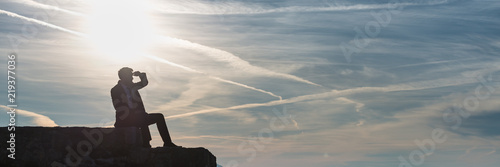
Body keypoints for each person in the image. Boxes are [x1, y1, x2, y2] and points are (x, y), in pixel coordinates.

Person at [111, 67, 178, 147]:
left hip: (138, 117)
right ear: (124, 77)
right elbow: (118, 107)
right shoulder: (115, 90)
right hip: (125, 119)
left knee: (159, 117)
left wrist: (141, 75)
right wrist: (134, 111)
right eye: (130, 76)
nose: (132, 78)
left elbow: (144, 83)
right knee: (141, 117)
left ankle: (167, 143)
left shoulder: (132, 86)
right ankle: (146, 143)